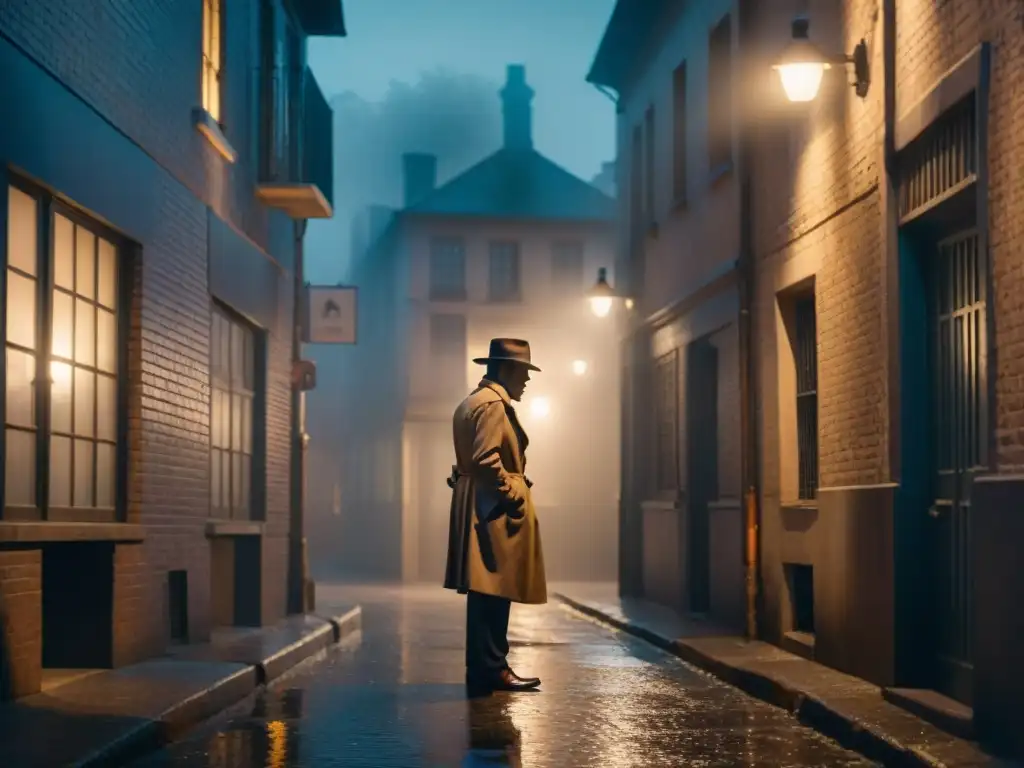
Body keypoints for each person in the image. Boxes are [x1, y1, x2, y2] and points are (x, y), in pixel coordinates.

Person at [444, 338, 547, 693]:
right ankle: (493, 669)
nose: (527, 381)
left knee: (487, 591)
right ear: (505, 369)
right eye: (522, 372)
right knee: (493, 591)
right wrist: (511, 492)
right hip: (493, 508)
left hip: (481, 503)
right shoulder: (492, 406)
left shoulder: (473, 402)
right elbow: (487, 459)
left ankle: (488, 668)